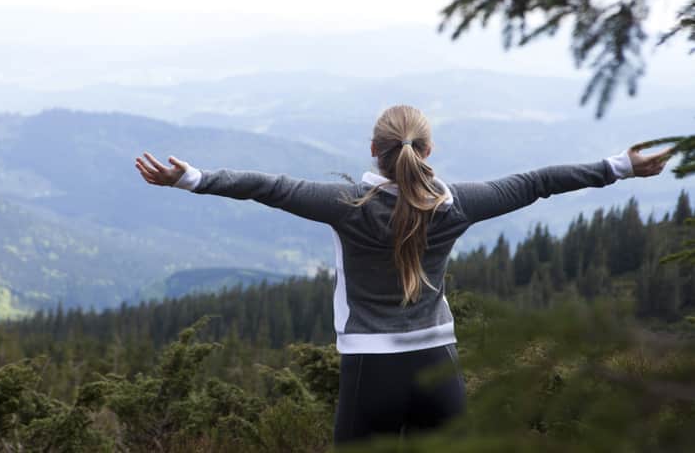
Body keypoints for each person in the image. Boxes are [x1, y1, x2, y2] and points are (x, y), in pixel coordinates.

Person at [133, 104, 674, 447]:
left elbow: (270, 187)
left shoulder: (348, 204)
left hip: (371, 366)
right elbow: (536, 182)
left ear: (374, 150)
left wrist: (193, 179)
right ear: (428, 151)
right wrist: (619, 166)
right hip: (440, 363)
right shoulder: (457, 204)